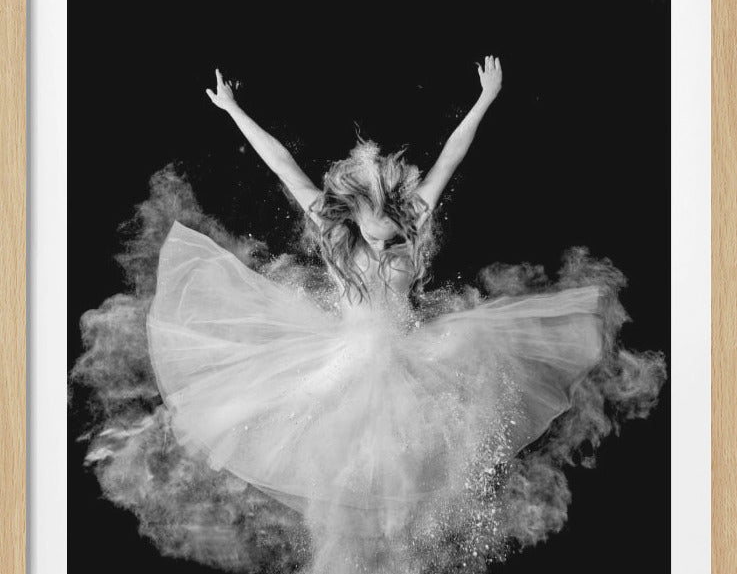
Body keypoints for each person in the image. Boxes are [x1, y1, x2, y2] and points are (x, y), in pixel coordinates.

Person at [147, 61, 604, 548]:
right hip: (344, 353)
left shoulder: (415, 213)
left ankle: (402, 541)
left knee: (422, 444)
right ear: (355, 220)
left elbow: (451, 156)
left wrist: (486, 97)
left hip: (408, 355)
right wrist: (232, 108)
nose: (385, 249)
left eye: (395, 241)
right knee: (294, 424)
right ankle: (342, 538)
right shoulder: (331, 224)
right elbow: (281, 163)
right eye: (375, 239)